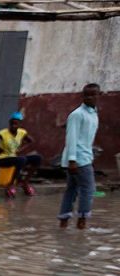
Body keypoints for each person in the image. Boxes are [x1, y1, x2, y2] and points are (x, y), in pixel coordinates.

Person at [58, 83, 100, 230]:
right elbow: (72, 138)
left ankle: (64, 221)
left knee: (72, 189)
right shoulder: (77, 114)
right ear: (83, 96)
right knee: (88, 189)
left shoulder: (93, 114)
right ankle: (82, 220)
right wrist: (72, 160)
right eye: (86, 95)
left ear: (98, 96)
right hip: (78, 159)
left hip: (85, 157)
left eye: (93, 94)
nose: (90, 97)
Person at [0, 112, 41, 198]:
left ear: (20, 124)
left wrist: (20, 149)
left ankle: (25, 182)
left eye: (16, 124)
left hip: (15, 157)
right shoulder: (3, 133)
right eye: (12, 123)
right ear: (9, 123)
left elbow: (31, 141)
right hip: (3, 159)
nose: (13, 126)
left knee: (37, 158)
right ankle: (11, 184)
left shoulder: (22, 132)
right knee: (21, 160)